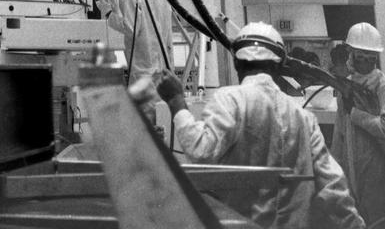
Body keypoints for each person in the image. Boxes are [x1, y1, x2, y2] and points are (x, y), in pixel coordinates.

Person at [155, 22, 365, 229]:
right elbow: (333, 187)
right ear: (280, 66)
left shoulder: (230, 100)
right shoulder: (303, 118)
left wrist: (176, 102)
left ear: (237, 64)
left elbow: (200, 151)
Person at [330, 22, 385, 229]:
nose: (364, 61)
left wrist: (356, 114)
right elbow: (340, 135)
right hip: (352, 175)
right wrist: (334, 173)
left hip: (381, 176)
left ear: (375, 57)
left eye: (369, 57)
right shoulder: (346, 87)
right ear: (351, 53)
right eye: (360, 56)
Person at [99, 0, 172, 86]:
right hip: (161, 69)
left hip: (142, 70)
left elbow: (130, 29)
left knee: (142, 106)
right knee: (159, 106)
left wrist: (108, 13)